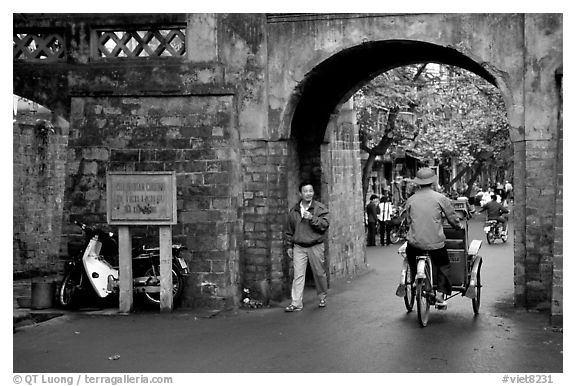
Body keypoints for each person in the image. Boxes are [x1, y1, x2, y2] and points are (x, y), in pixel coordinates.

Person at [397, 167, 463, 309]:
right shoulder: (440, 198)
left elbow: (408, 220)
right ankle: (440, 293)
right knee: (443, 265)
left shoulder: (410, 200)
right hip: (436, 243)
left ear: (418, 183)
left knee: (411, 259)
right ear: (433, 182)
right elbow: (452, 218)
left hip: (415, 243)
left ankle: (416, 278)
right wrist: (458, 227)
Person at [285, 182, 330, 312]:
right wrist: (289, 245)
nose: (308, 193)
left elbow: (324, 225)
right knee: (298, 275)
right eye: (305, 191)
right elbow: (289, 230)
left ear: (313, 193)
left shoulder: (320, 208)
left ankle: (322, 296)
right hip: (299, 246)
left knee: (319, 273)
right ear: (300, 193)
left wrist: (312, 218)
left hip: (315, 245)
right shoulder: (294, 210)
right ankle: (296, 302)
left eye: (310, 191)